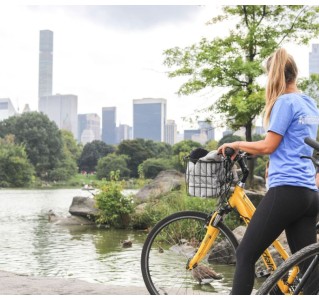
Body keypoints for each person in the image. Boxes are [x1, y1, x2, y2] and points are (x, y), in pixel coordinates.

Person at [217, 48, 319, 295]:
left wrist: (236, 144)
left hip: (287, 191)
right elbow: (299, 144)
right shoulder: (309, 102)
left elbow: (268, 145)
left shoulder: (284, 102)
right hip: (309, 195)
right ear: (294, 73)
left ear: (273, 76)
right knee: (308, 266)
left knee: (245, 254)